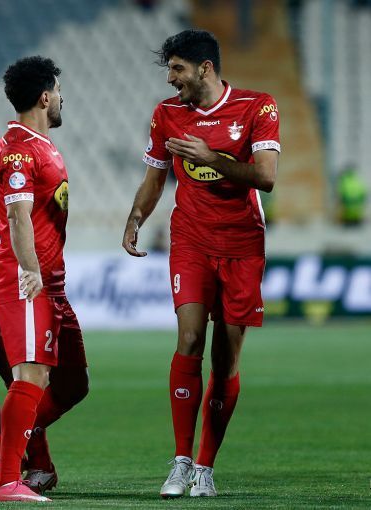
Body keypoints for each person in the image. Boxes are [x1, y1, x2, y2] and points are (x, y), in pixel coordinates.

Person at [121, 29, 279, 498]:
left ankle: (205, 467)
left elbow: (266, 177)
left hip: (242, 245)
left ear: (204, 67)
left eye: (178, 69)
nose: (171, 79)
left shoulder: (257, 107)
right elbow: (154, 178)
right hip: (190, 240)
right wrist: (135, 217)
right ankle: (180, 461)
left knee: (225, 359)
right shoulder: (167, 115)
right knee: (189, 338)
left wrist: (212, 157)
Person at [0, 56, 89, 503]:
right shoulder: (17, 150)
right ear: (46, 97)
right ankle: (7, 480)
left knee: (72, 382)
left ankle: (1, 454)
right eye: (59, 91)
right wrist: (30, 270)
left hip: (52, 282)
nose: (63, 98)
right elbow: (17, 215)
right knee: (31, 374)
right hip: (26, 277)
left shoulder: (41, 145)